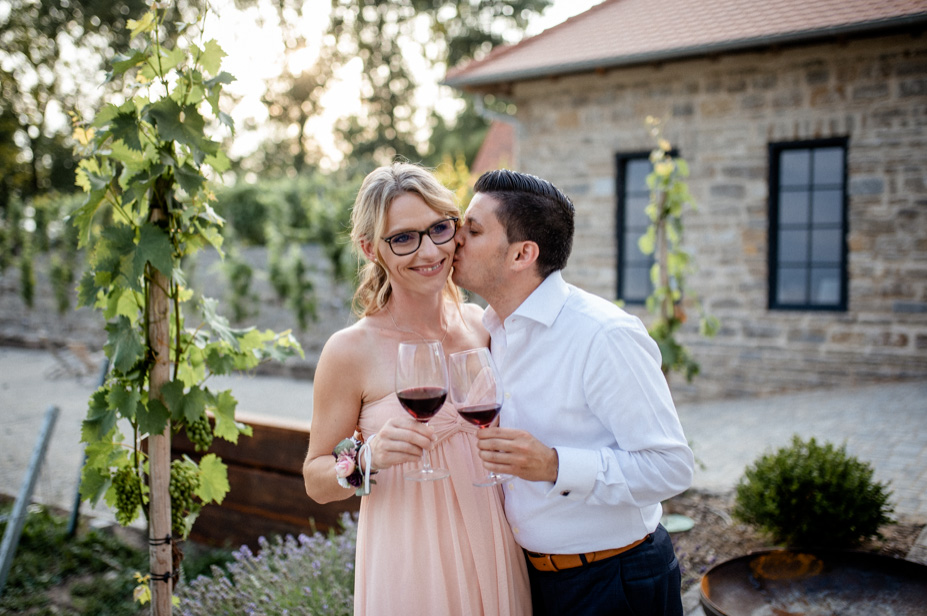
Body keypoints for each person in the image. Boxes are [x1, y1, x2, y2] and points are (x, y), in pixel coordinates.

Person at [451, 169, 694, 616]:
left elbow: (672, 468)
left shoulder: (603, 336)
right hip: (532, 580)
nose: (454, 239)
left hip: (614, 582)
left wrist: (554, 465)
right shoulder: (489, 330)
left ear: (522, 254)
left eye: (473, 229)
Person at [302, 162, 530, 615]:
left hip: (495, 540)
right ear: (371, 249)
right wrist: (366, 460)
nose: (428, 251)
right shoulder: (349, 351)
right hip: (410, 557)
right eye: (403, 238)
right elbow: (315, 479)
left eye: (438, 229)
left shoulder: (482, 326)